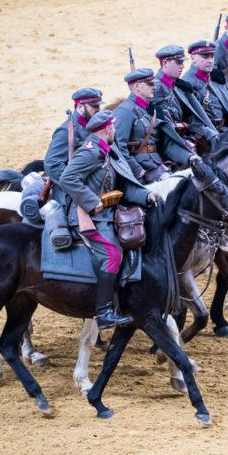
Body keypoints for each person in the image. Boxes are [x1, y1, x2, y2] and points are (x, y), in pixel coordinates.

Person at [59, 110, 161, 329]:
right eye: (113, 127)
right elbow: (67, 178)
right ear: (107, 129)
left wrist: (146, 195)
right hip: (89, 217)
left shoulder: (106, 151)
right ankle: (104, 312)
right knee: (113, 255)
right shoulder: (90, 152)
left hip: (108, 215)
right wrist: (88, 200)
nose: (115, 130)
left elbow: (121, 186)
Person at [111, 67, 199, 183]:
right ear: (137, 87)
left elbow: (165, 145)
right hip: (140, 172)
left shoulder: (150, 110)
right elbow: (117, 146)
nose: (154, 87)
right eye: (149, 84)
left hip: (158, 165)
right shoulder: (124, 111)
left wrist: (189, 157)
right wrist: (136, 169)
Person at [44, 87, 105, 203]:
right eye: (94, 106)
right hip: (72, 193)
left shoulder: (94, 127)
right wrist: (76, 185)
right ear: (80, 107)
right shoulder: (66, 131)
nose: (98, 109)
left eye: (98, 106)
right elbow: (52, 164)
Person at [153, 44, 219, 142]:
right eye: (179, 63)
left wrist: (210, 134)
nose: (183, 66)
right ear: (165, 63)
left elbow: (190, 118)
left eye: (183, 62)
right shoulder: (154, 88)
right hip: (165, 142)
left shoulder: (178, 87)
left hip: (183, 137)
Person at [181, 39, 228, 133]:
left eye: (212, 57)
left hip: (225, 129)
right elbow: (191, 119)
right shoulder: (188, 83)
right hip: (206, 135)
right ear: (193, 58)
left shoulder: (215, 78)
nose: (210, 61)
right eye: (205, 57)